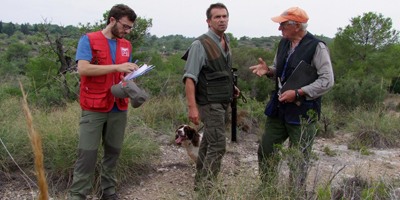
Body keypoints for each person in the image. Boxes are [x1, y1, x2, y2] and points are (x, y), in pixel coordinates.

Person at [249, 7, 334, 192]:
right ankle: (268, 191)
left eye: (283, 25)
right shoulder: (284, 44)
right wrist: (269, 71)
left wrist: (299, 92)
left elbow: (327, 80)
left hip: (303, 112)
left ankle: (294, 193)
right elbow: (280, 70)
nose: (279, 29)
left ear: (296, 26)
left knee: (299, 157)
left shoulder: (317, 47)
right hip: (279, 109)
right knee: (266, 149)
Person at [69, 4, 138, 200]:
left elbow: (125, 74)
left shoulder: (126, 45)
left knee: (113, 152)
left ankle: (108, 192)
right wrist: (117, 67)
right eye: (125, 26)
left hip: (119, 106)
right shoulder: (88, 40)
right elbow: (83, 69)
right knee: (87, 155)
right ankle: (77, 195)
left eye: (130, 28)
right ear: (112, 20)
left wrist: (131, 77)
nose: (127, 31)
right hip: (94, 106)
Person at [181, 2, 240, 191]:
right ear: (208, 21)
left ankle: (200, 183)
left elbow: (221, 71)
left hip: (223, 101)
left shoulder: (226, 40)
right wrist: (193, 107)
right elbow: (190, 78)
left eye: (224, 16)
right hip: (209, 103)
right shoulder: (200, 44)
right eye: (217, 17)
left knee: (207, 143)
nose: (222, 20)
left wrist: (232, 88)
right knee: (218, 146)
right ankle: (209, 188)